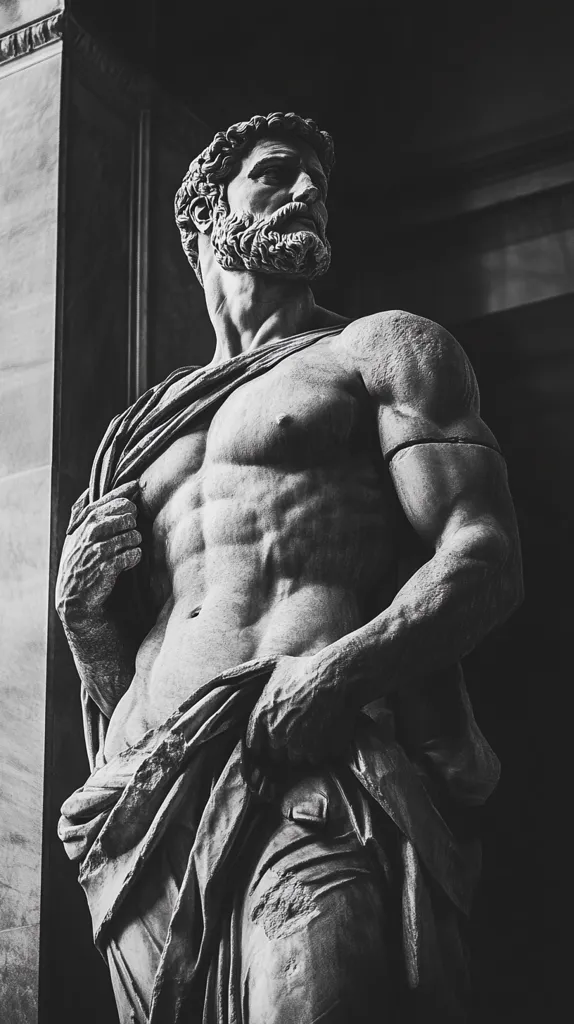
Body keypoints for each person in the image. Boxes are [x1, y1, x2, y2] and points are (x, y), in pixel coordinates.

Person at [56, 111, 522, 1023]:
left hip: (308, 770)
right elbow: (116, 687)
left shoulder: (376, 350)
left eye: (316, 179)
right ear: (201, 220)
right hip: (140, 808)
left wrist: (340, 674)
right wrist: (82, 628)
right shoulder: (133, 440)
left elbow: (485, 553)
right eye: (276, 173)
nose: (308, 191)